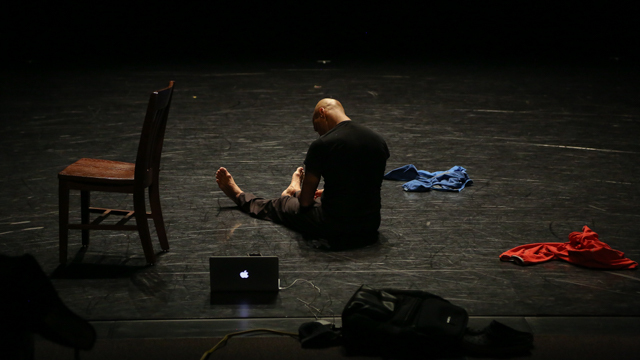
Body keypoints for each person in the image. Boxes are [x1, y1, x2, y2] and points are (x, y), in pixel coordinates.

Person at [216, 98, 390, 249]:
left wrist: (297, 195)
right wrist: (328, 193)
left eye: (317, 127)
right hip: (370, 224)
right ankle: (293, 191)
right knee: (319, 198)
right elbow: (365, 183)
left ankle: (242, 196)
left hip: (334, 226)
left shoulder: (323, 144)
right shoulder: (378, 141)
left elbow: (306, 203)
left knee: (281, 204)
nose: (319, 132)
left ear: (322, 112)